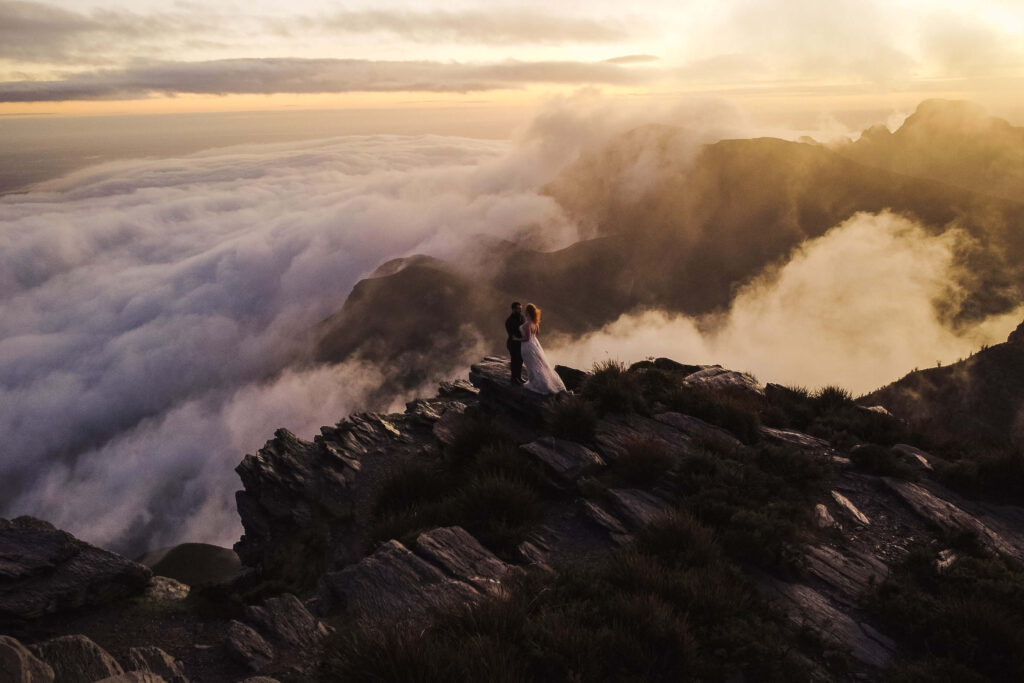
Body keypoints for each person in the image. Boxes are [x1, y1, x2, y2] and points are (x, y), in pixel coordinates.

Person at [518, 303, 566, 395]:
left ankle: (537, 383)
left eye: (525, 310)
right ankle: (540, 381)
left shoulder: (528, 324)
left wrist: (516, 339)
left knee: (531, 364)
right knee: (537, 364)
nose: (524, 312)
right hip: (534, 344)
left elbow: (527, 338)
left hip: (527, 346)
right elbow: (536, 334)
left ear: (527, 312)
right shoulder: (535, 323)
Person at [505, 301, 526, 384]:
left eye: (520, 308)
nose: (520, 310)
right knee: (514, 361)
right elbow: (511, 334)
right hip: (513, 344)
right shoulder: (509, 321)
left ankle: (519, 377)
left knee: (520, 360)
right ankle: (513, 378)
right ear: (513, 309)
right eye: (518, 308)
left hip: (520, 343)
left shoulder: (522, 317)